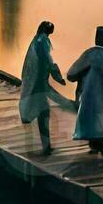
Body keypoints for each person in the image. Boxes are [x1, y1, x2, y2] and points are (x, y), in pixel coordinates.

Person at [19, 20, 67, 154]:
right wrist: (58, 77)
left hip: (36, 80)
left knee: (40, 112)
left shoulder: (36, 40)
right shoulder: (43, 41)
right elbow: (48, 60)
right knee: (44, 112)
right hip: (38, 82)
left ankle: (44, 145)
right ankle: (46, 147)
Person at [67, 26, 103, 156]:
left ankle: (95, 144)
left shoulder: (89, 54)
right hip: (100, 96)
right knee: (99, 117)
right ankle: (100, 144)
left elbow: (72, 72)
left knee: (89, 117)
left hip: (87, 93)